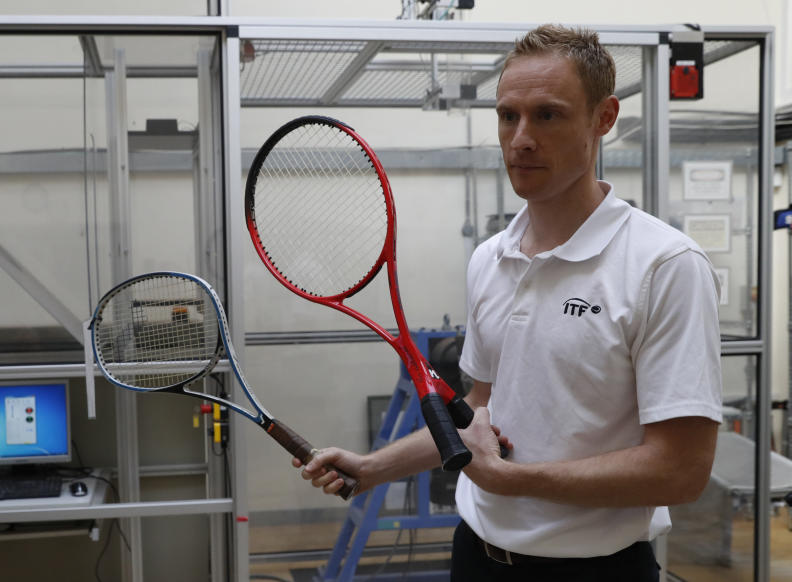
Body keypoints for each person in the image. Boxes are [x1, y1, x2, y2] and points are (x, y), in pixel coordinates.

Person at [293, 24, 722, 582]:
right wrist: (374, 468)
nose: (520, 138)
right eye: (507, 115)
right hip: (475, 557)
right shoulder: (489, 259)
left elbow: (682, 470)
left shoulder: (665, 265)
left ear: (604, 118)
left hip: (594, 571)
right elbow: (481, 412)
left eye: (547, 114)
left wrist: (513, 480)